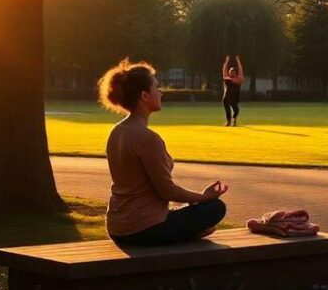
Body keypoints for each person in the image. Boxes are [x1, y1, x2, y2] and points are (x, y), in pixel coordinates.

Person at [98, 59, 228, 247]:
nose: (161, 92)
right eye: (156, 88)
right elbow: (167, 191)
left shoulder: (116, 132)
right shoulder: (148, 139)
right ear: (144, 96)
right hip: (143, 229)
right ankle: (189, 233)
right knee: (215, 208)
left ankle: (188, 232)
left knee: (185, 212)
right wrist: (203, 197)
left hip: (117, 228)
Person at [222, 55, 245, 127]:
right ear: (229, 73)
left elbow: (241, 71)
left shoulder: (239, 79)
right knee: (227, 110)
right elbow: (224, 71)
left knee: (236, 110)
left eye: (234, 71)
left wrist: (238, 61)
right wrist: (226, 62)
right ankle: (228, 122)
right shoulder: (227, 79)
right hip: (227, 98)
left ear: (236, 73)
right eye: (231, 71)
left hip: (234, 98)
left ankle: (234, 119)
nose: (232, 73)